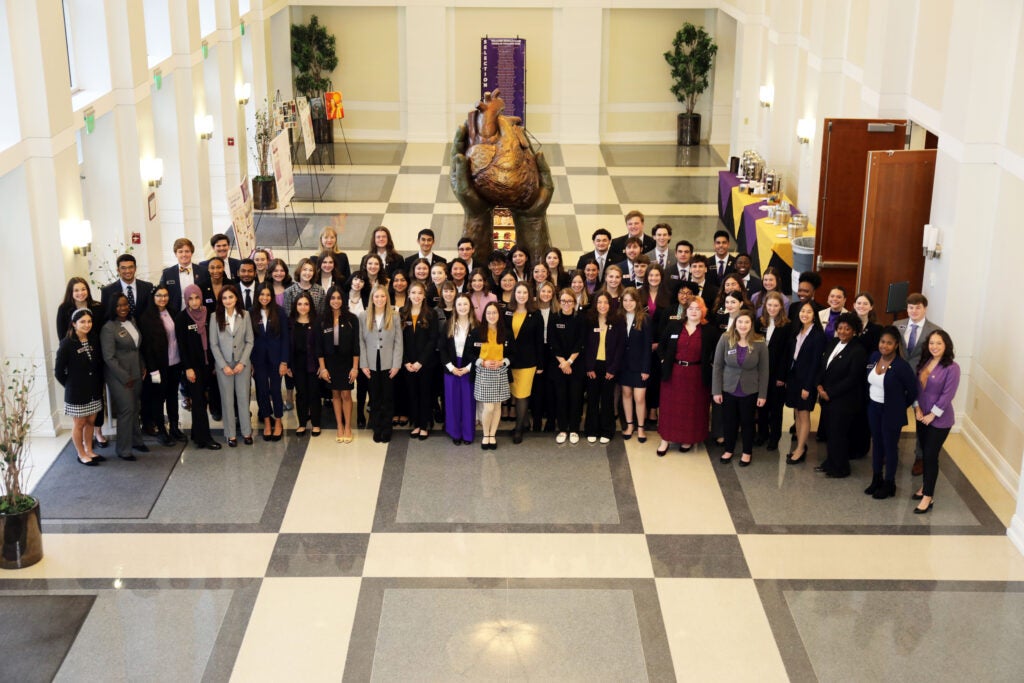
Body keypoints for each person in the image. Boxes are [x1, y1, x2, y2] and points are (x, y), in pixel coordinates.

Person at [656, 297, 717, 455]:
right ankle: (665, 440)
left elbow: (716, 351)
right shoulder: (674, 326)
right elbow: (661, 345)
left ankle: (687, 439)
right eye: (690, 308)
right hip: (674, 372)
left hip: (696, 375)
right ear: (685, 311)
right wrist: (664, 360)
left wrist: (710, 364)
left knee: (692, 409)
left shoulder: (709, 330)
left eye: (697, 308)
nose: (694, 311)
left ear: (703, 311)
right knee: (670, 407)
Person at [864, 326, 918, 500]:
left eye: (889, 343)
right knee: (877, 444)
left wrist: (900, 406)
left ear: (896, 345)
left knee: (890, 447)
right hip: (874, 408)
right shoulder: (873, 357)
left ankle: (889, 483)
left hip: (891, 412)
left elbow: (913, 390)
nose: (884, 346)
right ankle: (876, 478)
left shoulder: (901, 366)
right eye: (882, 342)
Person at [56, 277, 109, 448]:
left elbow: (101, 332)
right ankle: (83, 448)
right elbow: (61, 337)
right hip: (76, 364)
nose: (80, 293)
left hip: (95, 356)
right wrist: (71, 383)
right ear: (71, 293)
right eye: (76, 290)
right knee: (80, 418)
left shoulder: (98, 307)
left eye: (83, 289)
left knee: (96, 402)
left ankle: (98, 432)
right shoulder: (64, 310)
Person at [912, 330, 961, 514]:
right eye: (932, 343)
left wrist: (932, 415)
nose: (934, 346)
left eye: (939, 343)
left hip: (939, 420)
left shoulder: (952, 368)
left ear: (946, 345)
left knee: (931, 456)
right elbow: (917, 388)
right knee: (925, 454)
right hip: (921, 416)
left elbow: (947, 395)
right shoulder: (925, 362)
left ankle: (928, 497)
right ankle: (925, 486)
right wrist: (917, 408)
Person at [712, 309, 769, 466]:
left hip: (750, 391)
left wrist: (762, 395)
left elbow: (764, 371)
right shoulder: (725, 338)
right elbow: (717, 366)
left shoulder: (759, 342)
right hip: (728, 388)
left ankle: (746, 452)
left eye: (746, 322)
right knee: (729, 422)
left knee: (747, 423)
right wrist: (716, 390)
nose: (743, 325)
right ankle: (729, 450)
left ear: (751, 324)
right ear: (735, 323)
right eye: (740, 322)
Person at [814, 313, 867, 478]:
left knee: (839, 435)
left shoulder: (858, 350)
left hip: (844, 400)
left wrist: (829, 392)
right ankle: (830, 462)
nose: (843, 331)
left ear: (854, 331)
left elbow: (852, 378)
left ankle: (840, 468)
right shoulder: (834, 343)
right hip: (827, 397)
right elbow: (824, 365)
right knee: (830, 433)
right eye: (840, 328)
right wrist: (819, 386)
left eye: (847, 329)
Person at [896, 293, 943, 476]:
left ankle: (920, 457)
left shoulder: (934, 330)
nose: (913, 311)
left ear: (925, 308)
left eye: (917, 307)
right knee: (895, 416)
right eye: (910, 307)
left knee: (921, 420)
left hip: (922, 381)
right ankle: (891, 449)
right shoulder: (897, 326)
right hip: (899, 379)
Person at [101, 293, 148, 460]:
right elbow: (109, 358)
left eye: (125, 304)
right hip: (119, 376)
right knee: (126, 409)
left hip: (135, 371)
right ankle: (123, 449)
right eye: (119, 305)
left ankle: (136, 441)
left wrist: (142, 366)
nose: (123, 308)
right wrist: (124, 377)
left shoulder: (132, 321)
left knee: (135, 407)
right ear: (113, 307)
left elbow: (136, 348)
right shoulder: (109, 328)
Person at [55, 309, 105, 465]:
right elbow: (58, 372)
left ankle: (89, 450)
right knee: (80, 423)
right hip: (76, 392)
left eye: (89, 321)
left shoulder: (94, 339)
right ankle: (81, 453)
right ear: (74, 324)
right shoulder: (67, 343)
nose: (87, 324)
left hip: (94, 390)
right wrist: (71, 385)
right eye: (82, 321)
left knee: (91, 422)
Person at [175, 285, 221, 450]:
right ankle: (204, 439)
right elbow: (182, 346)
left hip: (210, 364)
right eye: (190, 298)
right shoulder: (181, 318)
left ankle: (196, 433)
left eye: (197, 298)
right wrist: (188, 368)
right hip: (193, 367)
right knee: (199, 402)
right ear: (186, 300)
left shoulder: (209, 313)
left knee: (210, 398)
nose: (194, 302)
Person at [139, 286, 185, 445]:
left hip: (175, 363)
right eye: (159, 296)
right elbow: (147, 347)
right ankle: (161, 431)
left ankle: (174, 427)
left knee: (173, 397)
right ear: (153, 297)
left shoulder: (172, 311)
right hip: (158, 367)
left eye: (165, 295)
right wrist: (153, 370)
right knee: (158, 399)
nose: (162, 299)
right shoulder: (147, 317)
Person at [210, 285, 254, 447]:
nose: (228, 300)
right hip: (224, 366)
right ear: (221, 301)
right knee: (227, 400)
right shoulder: (215, 317)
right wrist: (223, 365)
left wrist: (243, 362)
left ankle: (246, 431)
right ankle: (230, 434)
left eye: (231, 297)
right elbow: (213, 344)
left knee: (243, 398)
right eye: (224, 298)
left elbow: (250, 341)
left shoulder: (245, 315)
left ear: (236, 298)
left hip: (242, 363)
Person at [359, 285, 403, 443]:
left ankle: (387, 428)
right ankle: (376, 427)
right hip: (371, 362)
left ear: (387, 298)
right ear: (372, 298)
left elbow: (399, 342)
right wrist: (363, 364)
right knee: (375, 396)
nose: (379, 299)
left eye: (382, 296)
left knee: (388, 397)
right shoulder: (363, 316)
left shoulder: (394, 316)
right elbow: (361, 342)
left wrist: (396, 364)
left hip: (388, 362)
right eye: (376, 296)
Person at [784, 301, 826, 464]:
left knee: (804, 414)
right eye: (803, 311)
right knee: (797, 413)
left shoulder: (818, 336)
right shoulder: (798, 330)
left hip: (806, 380)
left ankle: (800, 448)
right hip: (794, 377)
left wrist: (808, 387)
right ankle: (800, 445)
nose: (805, 315)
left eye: (809, 312)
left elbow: (816, 364)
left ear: (814, 315)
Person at [318, 285, 360, 443]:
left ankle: (348, 426)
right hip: (330, 363)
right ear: (328, 300)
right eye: (333, 298)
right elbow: (319, 347)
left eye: (339, 298)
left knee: (346, 394)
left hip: (347, 362)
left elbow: (356, 345)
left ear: (343, 300)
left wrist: (355, 367)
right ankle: (339, 426)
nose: (336, 301)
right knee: (335, 394)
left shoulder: (351, 319)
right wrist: (322, 368)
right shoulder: (322, 320)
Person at [583, 292, 625, 444]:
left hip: (609, 367)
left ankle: (607, 430)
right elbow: (586, 346)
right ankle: (591, 429)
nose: (602, 306)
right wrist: (588, 367)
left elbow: (621, 347)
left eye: (605, 302)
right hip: (592, 366)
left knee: (607, 399)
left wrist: (613, 369)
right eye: (599, 302)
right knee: (592, 399)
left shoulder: (618, 321)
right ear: (595, 304)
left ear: (611, 304)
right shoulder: (589, 320)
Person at [400, 282, 440, 439]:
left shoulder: (431, 314)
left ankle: (424, 425)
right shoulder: (402, 313)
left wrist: (420, 362)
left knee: (425, 394)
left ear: (424, 295)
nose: (416, 296)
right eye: (413, 293)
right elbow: (399, 340)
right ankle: (416, 423)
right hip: (408, 363)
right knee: (412, 394)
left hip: (426, 363)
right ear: (408, 294)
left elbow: (433, 339)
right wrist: (406, 361)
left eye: (419, 293)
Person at [506, 281, 544, 443]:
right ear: (514, 294)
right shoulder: (507, 311)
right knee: (514, 393)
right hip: (508, 361)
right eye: (519, 292)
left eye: (525, 293)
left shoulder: (535, 314)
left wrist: (540, 364)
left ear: (529, 296)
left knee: (522, 395)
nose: (521, 296)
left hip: (528, 362)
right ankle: (525, 422)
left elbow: (539, 342)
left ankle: (519, 429)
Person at [440, 293, 479, 445]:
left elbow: (481, 351)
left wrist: (469, 368)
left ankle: (468, 434)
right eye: (459, 304)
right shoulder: (448, 324)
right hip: (451, 366)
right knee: (452, 401)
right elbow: (442, 348)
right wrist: (451, 367)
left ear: (470, 306)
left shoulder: (477, 326)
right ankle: (455, 433)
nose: (462, 307)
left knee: (468, 402)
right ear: (455, 307)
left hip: (469, 366)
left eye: (465, 304)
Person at [251, 284, 288, 442]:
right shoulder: (251, 313)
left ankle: (278, 421)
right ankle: (267, 421)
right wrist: (250, 362)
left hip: (276, 359)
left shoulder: (279, 312)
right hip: (258, 360)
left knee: (275, 390)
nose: (264, 297)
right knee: (262, 391)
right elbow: (249, 339)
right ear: (257, 295)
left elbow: (286, 338)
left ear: (272, 296)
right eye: (261, 294)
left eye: (267, 294)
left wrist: (284, 361)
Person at [548, 288, 585, 444]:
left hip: (576, 364)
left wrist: (569, 361)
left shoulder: (580, 318)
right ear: (559, 302)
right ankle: (563, 428)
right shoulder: (554, 317)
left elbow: (581, 342)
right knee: (561, 397)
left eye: (569, 301)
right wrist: (562, 362)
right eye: (563, 301)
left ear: (574, 302)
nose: (566, 304)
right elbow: (552, 341)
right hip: (559, 365)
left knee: (576, 397)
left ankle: (575, 429)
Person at [474, 302, 512, 450]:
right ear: (484, 315)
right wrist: (481, 363)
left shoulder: (506, 333)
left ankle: (492, 435)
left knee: (497, 407)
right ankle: (485, 434)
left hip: (500, 373)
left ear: (499, 315)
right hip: (483, 373)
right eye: (488, 313)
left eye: (494, 312)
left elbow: (513, 354)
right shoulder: (477, 332)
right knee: (488, 408)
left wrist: (503, 362)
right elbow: (470, 353)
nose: (491, 315)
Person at [755, 292, 790, 451]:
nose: (772, 308)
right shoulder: (759, 322)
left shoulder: (787, 326)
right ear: (764, 306)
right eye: (769, 305)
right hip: (759, 372)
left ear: (781, 307)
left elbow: (786, 353)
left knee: (776, 408)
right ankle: (762, 434)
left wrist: (782, 376)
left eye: (776, 305)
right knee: (761, 405)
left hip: (777, 373)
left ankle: (774, 437)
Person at [619, 287, 652, 443]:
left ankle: (640, 428)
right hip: (623, 365)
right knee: (626, 395)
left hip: (639, 366)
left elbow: (647, 346)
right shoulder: (619, 317)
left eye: (631, 300)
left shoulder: (644, 318)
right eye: (625, 300)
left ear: (637, 301)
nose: (628, 303)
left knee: (639, 398)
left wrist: (646, 368)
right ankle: (630, 425)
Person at [287, 292, 322, 437]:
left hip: (314, 363)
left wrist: (322, 364)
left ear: (311, 306)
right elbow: (287, 345)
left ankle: (316, 423)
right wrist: (288, 365)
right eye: (300, 304)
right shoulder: (290, 323)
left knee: (314, 393)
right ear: (295, 306)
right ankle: (301, 423)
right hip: (297, 364)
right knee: (301, 393)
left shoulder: (317, 322)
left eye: (306, 304)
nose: (303, 307)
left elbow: (321, 345)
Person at [530, 281, 557, 432]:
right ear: (538, 293)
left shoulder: (557, 310)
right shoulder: (533, 311)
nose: (546, 294)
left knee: (551, 388)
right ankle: (537, 421)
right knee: (537, 389)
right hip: (537, 353)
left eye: (549, 291)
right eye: (543, 291)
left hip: (553, 354)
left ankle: (551, 421)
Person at [159, 237, 209, 313]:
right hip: (175, 315)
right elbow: (162, 295)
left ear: (192, 253)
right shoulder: (167, 273)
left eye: (187, 251)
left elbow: (207, 293)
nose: (184, 254)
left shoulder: (203, 271)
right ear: (176, 254)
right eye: (180, 251)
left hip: (199, 313)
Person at [100, 253, 154, 320]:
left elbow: (152, 312)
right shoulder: (107, 291)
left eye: (130, 267)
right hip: (120, 329)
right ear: (118, 270)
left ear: (135, 268)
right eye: (123, 268)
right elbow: (106, 316)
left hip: (145, 329)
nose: (127, 271)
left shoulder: (148, 287)